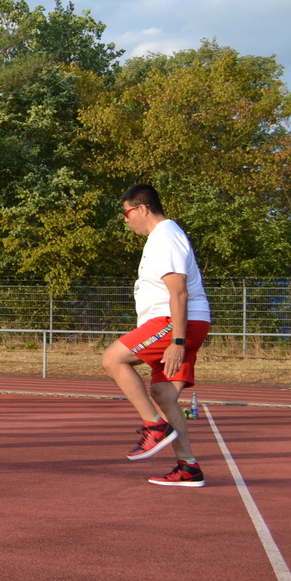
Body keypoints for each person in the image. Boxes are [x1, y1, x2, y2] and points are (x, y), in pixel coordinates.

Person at [101, 183, 213, 487]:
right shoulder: (163, 237)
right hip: (180, 322)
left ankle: (154, 426)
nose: (125, 220)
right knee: (164, 395)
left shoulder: (164, 237)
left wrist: (178, 341)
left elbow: (178, 291)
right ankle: (188, 467)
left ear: (141, 208)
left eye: (126, 213)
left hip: (175, 322)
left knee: (113, 359)